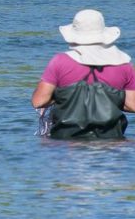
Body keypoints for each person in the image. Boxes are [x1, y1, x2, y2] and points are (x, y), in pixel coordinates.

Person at [32, 9, 135, 139]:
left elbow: (38, 101)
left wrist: (60, 96)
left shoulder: (60, 61)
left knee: (46, 143)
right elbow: (132, 105)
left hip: (66, 141)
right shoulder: (124, 66)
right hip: (111, 140)